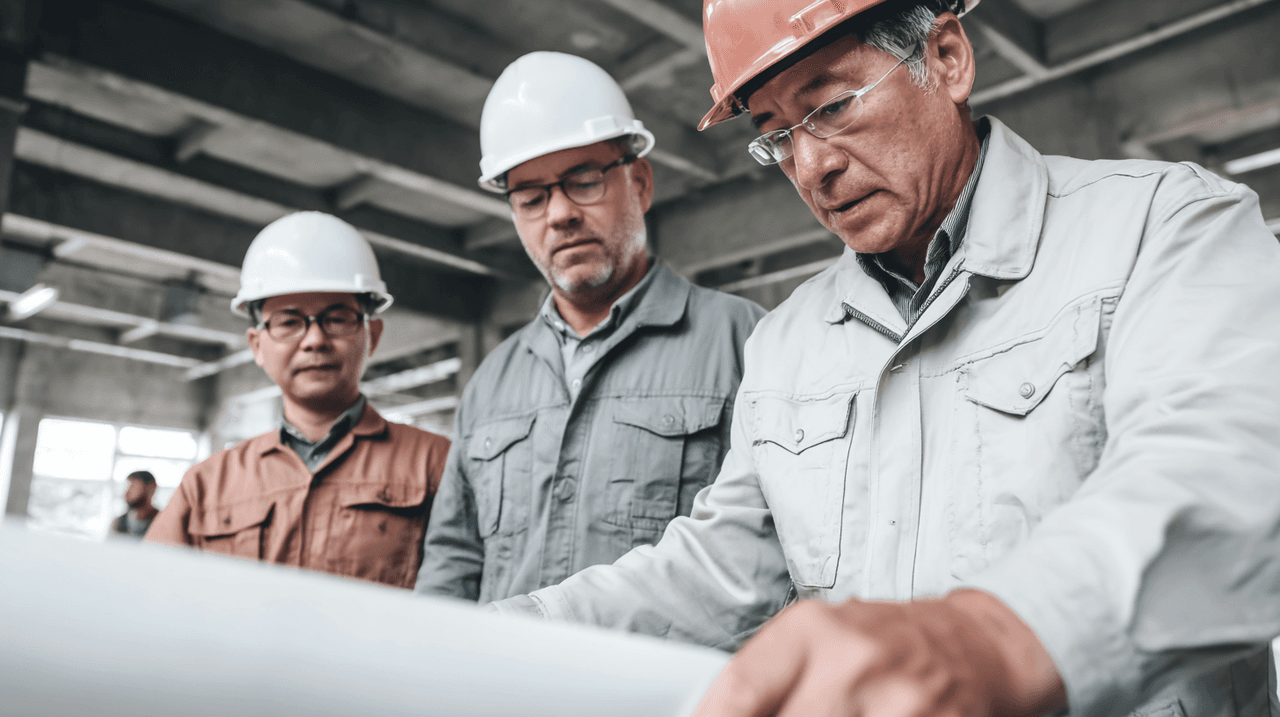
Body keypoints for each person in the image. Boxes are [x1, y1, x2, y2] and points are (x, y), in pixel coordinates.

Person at [490, 2, 1280, 717]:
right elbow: (720, 565)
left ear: (946, 57)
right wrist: (507, 633)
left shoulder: (1164, 226)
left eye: (830, 106)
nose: (810, 165)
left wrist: (992, 642)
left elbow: (1227, 469)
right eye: (775, 134)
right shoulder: (789, 341)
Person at [414, 52, 765, 603]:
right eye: (531, 198)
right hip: (502, 687)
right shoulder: (492, 383)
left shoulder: (744, 342)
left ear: (641, 183)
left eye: (583, 181)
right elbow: (453, 562)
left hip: (669, 688)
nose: (559, 214)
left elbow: (771, 551)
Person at [147, 212, 450, 589]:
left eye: (337, 318)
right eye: (289, 322)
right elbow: (152, 602)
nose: (314, 340)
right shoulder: (207, 486)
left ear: (372, 334)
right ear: (257, 345)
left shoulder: (437, 465)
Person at [109, 470, 158, 538]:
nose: (127, 493)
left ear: (151, 489)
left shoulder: (162, 521)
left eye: (133, 487)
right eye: (126, 487)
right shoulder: (118, 522)